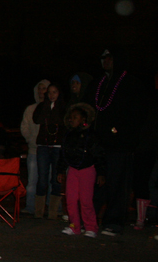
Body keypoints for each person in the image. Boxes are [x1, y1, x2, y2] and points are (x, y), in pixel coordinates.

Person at [94, 48, 143, 235]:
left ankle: (113, 222)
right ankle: (89, 219)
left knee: (117, 183)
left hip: (119, 145)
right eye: (103, 57)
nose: (105, 61)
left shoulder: (130, 83)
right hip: (99, 144)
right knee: (96, 184)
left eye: (109, 58)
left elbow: (136, 115)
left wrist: (120, 132)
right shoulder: (100, 83)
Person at [57, 103, 105, 237]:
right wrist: (60, 170)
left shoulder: (91, 135)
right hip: (73, 169)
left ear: (83, 119)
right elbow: (63, 154)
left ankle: (91, 227)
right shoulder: (69, 135)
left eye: (75, 117)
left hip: (87, 170)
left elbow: (99, 155)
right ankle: (74, 226)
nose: (72, 120)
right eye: (70, 117)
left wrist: (101, 173)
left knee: (86, 200)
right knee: (71, 199)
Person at [32, 83, 67, 219]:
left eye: (55, 92)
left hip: (58, 146)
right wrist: (46, 107)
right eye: (49, 92)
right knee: (42, 178)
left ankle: (53, 212)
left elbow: (63, 122)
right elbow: (37, 119)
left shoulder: (63, 107)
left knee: (56, 179)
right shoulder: (42, 106)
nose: (52, 95)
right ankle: (38, 212)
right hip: (43, 146)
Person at [20, 79, 50, 214]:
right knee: (32, 180)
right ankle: (30, 206)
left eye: (44, 89)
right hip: (34, 149)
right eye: (39, 88)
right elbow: (24, 126)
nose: (41, 91)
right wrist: (30, 139)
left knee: (50, 179)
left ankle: (53, 208)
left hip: (50, 149)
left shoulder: (54, 108)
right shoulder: (31, 109)